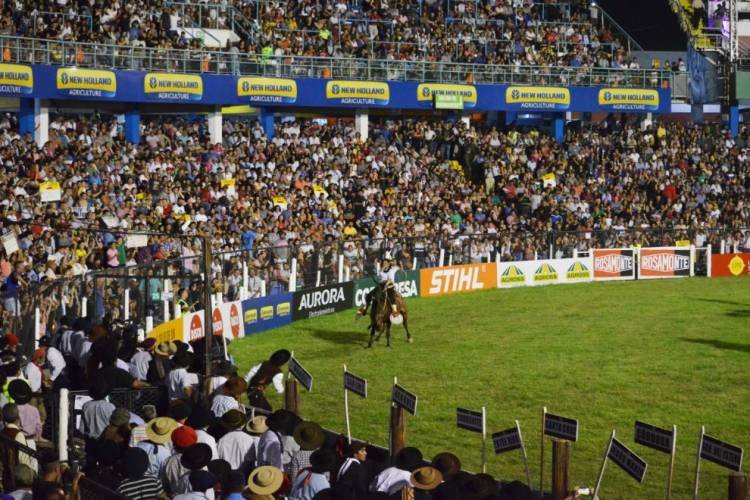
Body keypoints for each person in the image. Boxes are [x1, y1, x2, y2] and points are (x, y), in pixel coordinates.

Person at [358, 252, 399, 317]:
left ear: (389, 263)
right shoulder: (381, 270)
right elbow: (379, 275)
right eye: (383, 262)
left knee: (391, 296)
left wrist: (386, 286)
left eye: (386, 262)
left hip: (389, 285)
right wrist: (383, 268)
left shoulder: (392, 269)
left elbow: (390, 279)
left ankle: (395, 311)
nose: (384, 263)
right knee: (369, 295)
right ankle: (365, 309)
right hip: (381, 285)